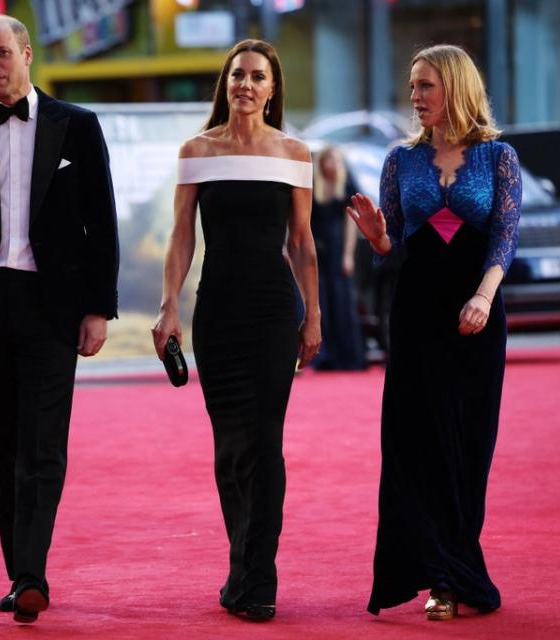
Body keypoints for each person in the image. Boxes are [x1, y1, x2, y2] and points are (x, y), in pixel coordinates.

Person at [0, 15, 119, 624]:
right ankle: (21, 571)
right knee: (3, 447)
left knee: (43, 445)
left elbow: (100, 221)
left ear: (27, 55)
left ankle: (31, 574)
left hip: (53, 308)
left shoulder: (77, 127)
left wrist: (98, 307)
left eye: (2, 54)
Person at [346, 44, 521, 620]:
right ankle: (439, 577)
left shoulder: (499, 158)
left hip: (476, 314)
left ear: (455, 87)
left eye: (426, 86)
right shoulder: (401, 159)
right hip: (416, 312)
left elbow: (503, 238)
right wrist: (376, 237)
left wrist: (483, 296)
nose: (415, 97)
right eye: (413, 86)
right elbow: (396, 242)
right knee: (416, 444)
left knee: (468, 445)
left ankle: (460, 567)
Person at [152, 39, 320, 621]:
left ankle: (259, 581)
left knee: (264, 441)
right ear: (225, 84)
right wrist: (168, 305)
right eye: (237, 75)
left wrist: (314, 315)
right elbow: (181, 236)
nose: (246, 84)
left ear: (273, 89)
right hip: (216, 312)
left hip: (274, 312)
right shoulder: (197, 150)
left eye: (257, 77)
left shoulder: (294, 153)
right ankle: (239, 566)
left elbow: (302, 241)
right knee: (229, 449)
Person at [310, 146, 366, 370]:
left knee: (342, 301)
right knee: (321, 301)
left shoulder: (348, 184)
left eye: (335, 160)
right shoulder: (315, 186)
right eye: (328, 160)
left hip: (339, 249)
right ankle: (324, 356)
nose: (332, 164)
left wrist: (347, 255)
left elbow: (351, 223)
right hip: (318, 250)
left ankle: (348, 356)